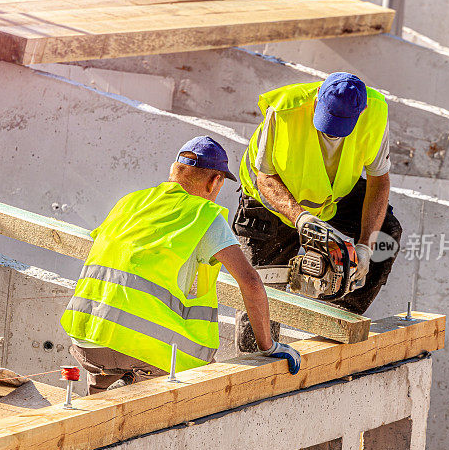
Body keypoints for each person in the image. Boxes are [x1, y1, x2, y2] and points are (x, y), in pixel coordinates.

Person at [61, 136, 301, 394]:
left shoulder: (129, 202)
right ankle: (133, 385)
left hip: (85, 340)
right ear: (215, 181)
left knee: (102, 391)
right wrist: (268, 347)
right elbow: (251, 281)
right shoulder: (204, 215)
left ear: (173, 170)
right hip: (141, 348)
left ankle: (102, 398)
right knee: (205, 381)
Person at [233, 73, 402, 352]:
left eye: (340, 127)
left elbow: (379, 180)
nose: (332, 132)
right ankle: (256, 357)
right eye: (327, 123)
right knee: (261, 294)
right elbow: (265, 178)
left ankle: (336, 320)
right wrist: (300, 218)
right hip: (270, 205)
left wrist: (364, 247)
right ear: (316, 101)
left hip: (329, 198)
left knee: (387, 235)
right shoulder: (285, 109)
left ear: (361, 112)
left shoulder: (376, 113)